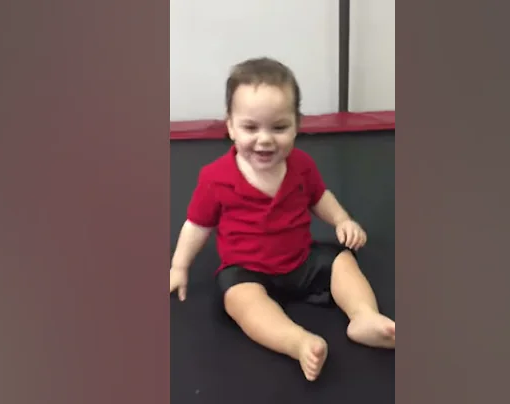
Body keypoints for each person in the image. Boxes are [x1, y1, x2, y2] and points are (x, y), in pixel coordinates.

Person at [169, 57, 395, 382]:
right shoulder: (215, 178)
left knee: (343, 261)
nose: (264, 140)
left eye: (279, 127)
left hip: (300, 260)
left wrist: (343, 220)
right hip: (247, 270)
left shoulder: (301, 165)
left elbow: (319, 198)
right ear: (230, 125)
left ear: (296, 124)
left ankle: (364, 317)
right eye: (250, 127)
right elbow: (197, 225)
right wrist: (179, 266)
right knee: (238, 298)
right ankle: (297, 342)